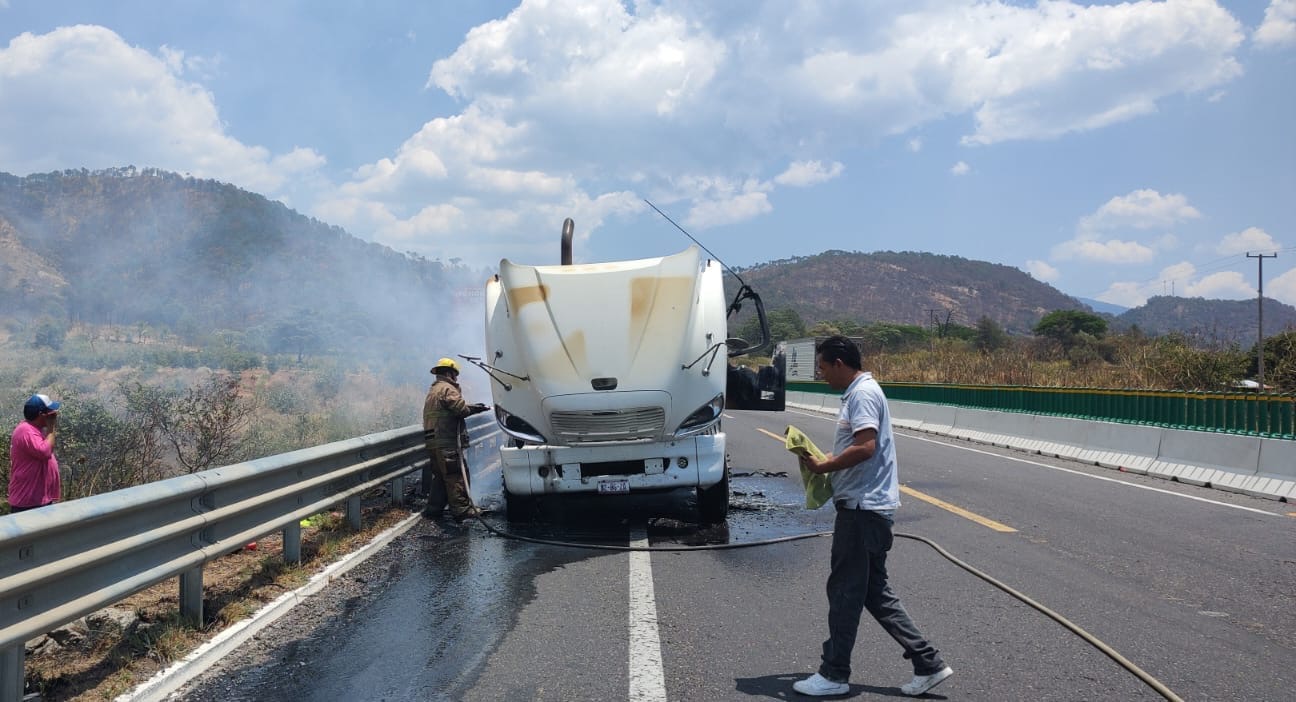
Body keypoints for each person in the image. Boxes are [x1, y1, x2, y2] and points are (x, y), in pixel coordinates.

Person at [793, 336, 953, 697]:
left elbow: (866, 446)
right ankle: (928, 663)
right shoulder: (861, 392)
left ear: (838, 363)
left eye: (822, 368)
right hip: (870, 510)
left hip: (862, 512)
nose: (821, 375)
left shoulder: (863, 394)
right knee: (873, 593)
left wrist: (823, 466)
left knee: (845, 592)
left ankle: (833, 675)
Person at [422, 357, 490, 521]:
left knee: (440, 476)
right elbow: (461, 410)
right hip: (446, 442)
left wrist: (474, 407)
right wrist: (477, 409)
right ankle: (461, 509)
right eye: (455, 375)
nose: (456, 379)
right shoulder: (448, 388)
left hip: (434, 442)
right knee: (455, 475)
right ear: (449, 373)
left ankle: (434, 509)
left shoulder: (433, 390)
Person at [8, 393, 63, 513]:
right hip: (28, 501)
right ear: (41, 415)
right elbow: (45, 452)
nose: (53, 415)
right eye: (50, 412)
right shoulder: (26, 431)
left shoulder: (33, 429)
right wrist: (51, 428)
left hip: (38, 499)